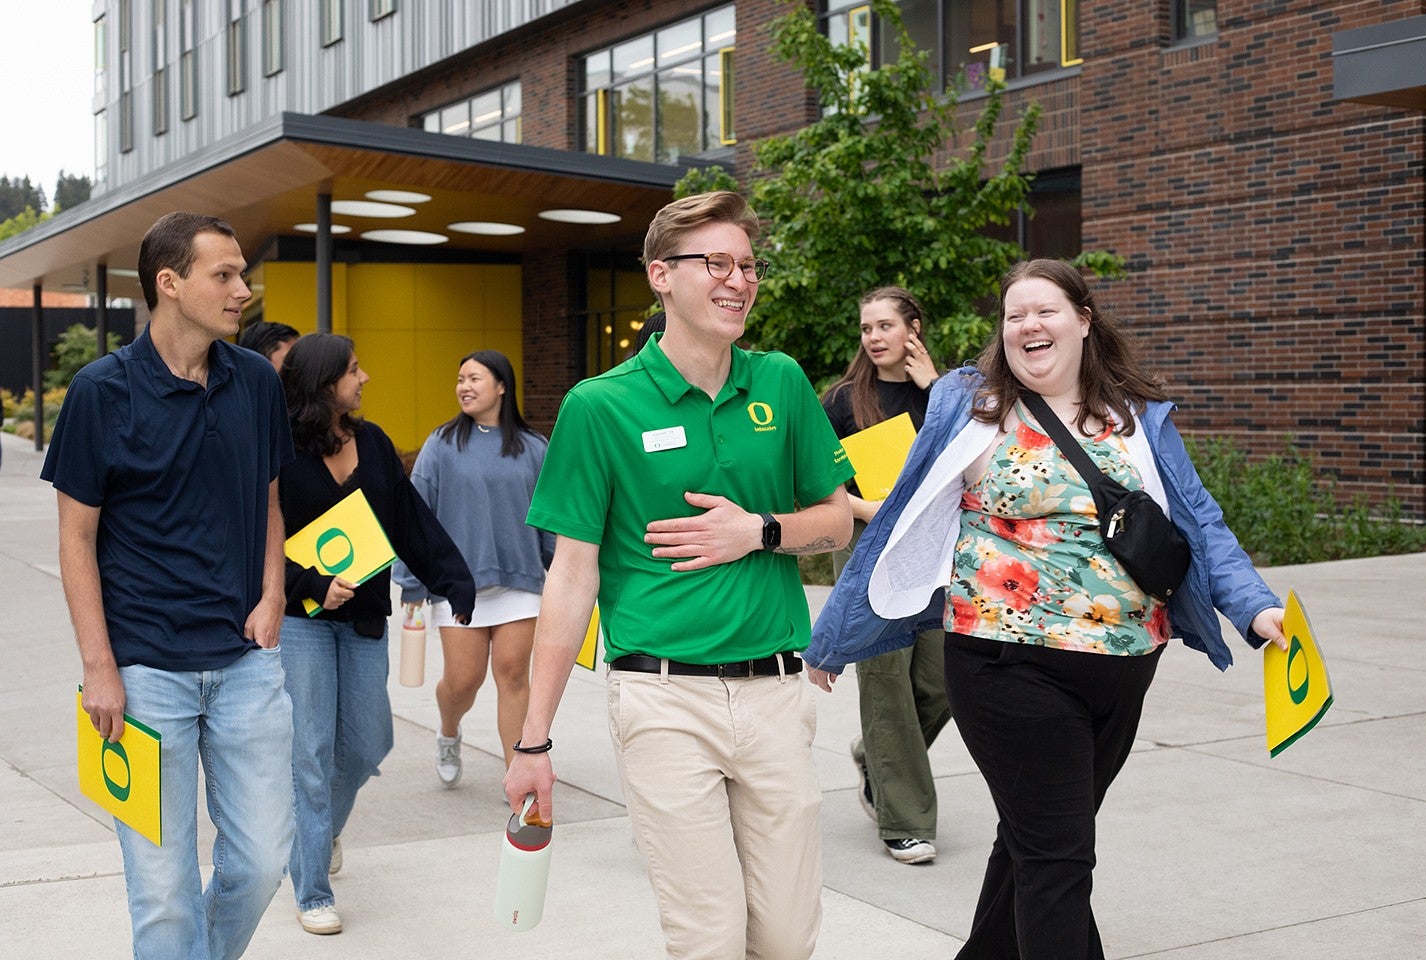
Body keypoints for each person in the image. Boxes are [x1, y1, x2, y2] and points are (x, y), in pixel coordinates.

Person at [806, 259, 1287, 960]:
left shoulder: (1137, 418)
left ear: (1084, 321)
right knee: (1060, 858)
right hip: (1005, 664)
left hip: (1123, 667)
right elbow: (898, 517)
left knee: (1035, 841)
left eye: (1045, 311)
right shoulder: (967, 408)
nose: (1028, 326)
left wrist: (1255, 608)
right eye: (1014, 316)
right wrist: (837, 635)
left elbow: (1198, 521)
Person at [504, 190, 855, 960]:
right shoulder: (601, 406)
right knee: (710, 938)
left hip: (774, 693)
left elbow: (835, 518)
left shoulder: (781, 382)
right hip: (662, 698)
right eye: (717, 264)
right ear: (661, 276)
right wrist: (534, 743)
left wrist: (757, 531)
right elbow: (571, 577)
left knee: (789, 939)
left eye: (748, 266)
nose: (739, 281)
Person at [42, 211, 294, 960]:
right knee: (162, 894)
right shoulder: (101, 393)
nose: (242, 290)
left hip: (247, 664)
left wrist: (273, 591)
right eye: (225, 275)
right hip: (145, 673)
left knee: (259, 864)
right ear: (170, 283)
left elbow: (273, 498)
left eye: (242, 273)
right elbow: (75, 538)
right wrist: (99, 670)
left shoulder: (253, 380)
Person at [277, 333, 475, 936]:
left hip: (364, 620)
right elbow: (255, 541)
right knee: (309, 751)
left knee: (368, 744)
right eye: (353, 370)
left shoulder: (375, 443)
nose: (364, 379)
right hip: (302, 621)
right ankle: (312, 888)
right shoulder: (277, 449)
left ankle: (323, 828)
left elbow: (411, 520)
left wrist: (453, 580)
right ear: (321, 383)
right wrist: (310, 583)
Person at [821, 286, 949, 865]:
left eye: (884, 326)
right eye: (866, 327)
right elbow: (814, 482)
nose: (873, 337)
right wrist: (869, 511)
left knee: (943, 681)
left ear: (912, 329)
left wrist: (934, 389)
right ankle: (905, 820)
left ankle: (874, 757)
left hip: (935, 552)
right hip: (871, 551)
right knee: (886, 681)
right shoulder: (844, 400)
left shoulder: (948, 397)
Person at [393, 349, 553, 786]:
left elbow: (549, 517)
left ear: (502, 385)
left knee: (514, 676)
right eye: (460, 378)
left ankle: (515, 773)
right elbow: (416, 514)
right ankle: (449, 730)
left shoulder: (535, 448)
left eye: (474, 378)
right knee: (463, 681)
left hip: (519, 583)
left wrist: (559, 569)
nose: (464, 386)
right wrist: (410, 583)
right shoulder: (441, 445)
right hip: (457, 585)